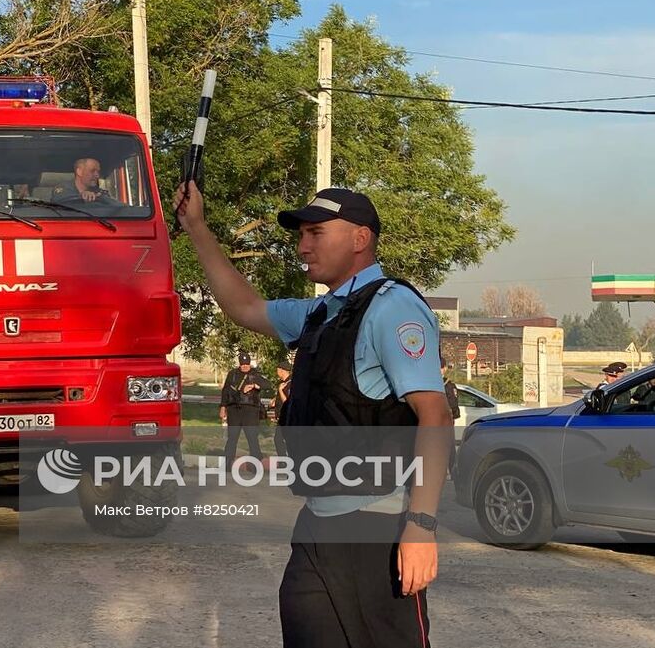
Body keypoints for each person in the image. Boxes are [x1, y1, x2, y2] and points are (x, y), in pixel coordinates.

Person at [174, 182, 451, 648]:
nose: (302, 246)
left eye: (316, 233)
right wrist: (198, 227)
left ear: (360, 239)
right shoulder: (319, 313)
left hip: (377, 528)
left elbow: (436, 416)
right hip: (317, 524)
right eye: (301, 235)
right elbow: (244, 307)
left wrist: (420, 527)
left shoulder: (392, 308)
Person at [219, 351, 272, 468]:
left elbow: (268, 385)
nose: (245, 367)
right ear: (239, 364)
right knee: (232, 438)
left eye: (247, 365)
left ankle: (255, 465)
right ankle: (227, 463)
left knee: (252, 438)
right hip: (234, 409)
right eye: (243, 365)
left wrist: (254, 386)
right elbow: (226, 391)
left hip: (250, 411)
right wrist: (223, 406)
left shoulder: (255, 374)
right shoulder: (232, 374)